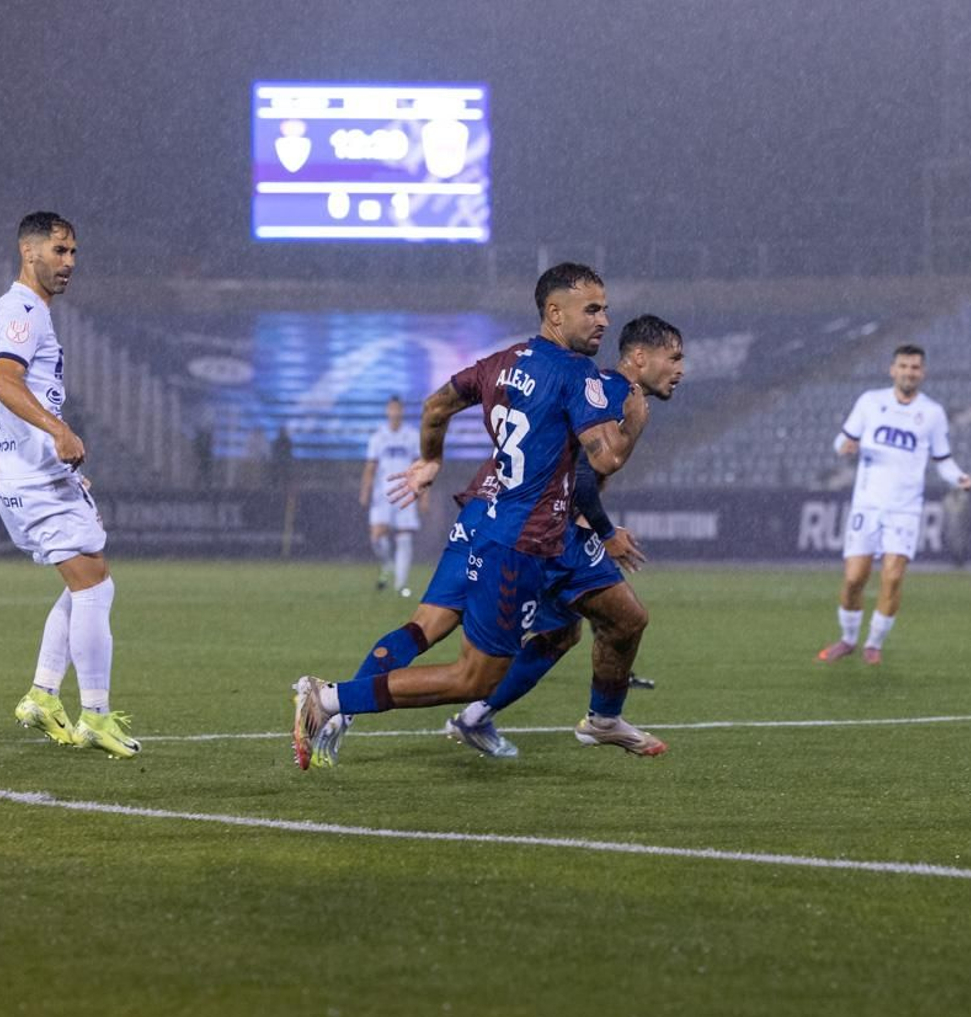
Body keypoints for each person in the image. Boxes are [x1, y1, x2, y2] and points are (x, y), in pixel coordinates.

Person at [290, 263, 650, 770]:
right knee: (474, 679)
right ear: (554, 312)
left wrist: (430, 460)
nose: (604, 320)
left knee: (430, 628)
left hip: (489, 518)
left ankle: (344, 707)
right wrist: (633, 419)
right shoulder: (575, 374)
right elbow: (606, 459)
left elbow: (436, 406)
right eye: (591, 309)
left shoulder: (500, 362)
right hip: (521, 541)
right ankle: (329, 699)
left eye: (605, 309)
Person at [444, 314, 686, 757]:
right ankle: (603, 720)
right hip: (556, 533)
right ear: (638, 356)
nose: (680, 369)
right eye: (673, 357)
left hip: (545, 526)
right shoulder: (615, 391)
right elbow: (582, 471)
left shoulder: (618, 392)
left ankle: (475, 716)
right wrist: (605, 531)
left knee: (561, 635)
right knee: (627, 619)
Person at [0, 212, 139, 758]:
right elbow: (6, 382)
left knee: (88, 580)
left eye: (73, 252)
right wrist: (59, 431)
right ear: (29, 254)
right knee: (95, 586)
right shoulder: (23, 309)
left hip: (30, 470)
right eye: (59, 251)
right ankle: (94, 714)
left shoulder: (28, 309)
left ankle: (43, 695)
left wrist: (60, 457)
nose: (69, 263)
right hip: (32, 474)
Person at [816, 344, 971, 665]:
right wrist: (844, 446)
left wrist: (959, 478)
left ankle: (874, 644)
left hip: (905, 508)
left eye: (915, 367)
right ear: (893, 370)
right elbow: (840, 440)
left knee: (893, 576)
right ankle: (848, 639)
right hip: (867, 505)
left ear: (922, 373)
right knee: (853, 579)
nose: (909, 372)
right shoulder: (870, 402)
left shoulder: (931, 413)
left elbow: (942, 460)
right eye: (903, 366)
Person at [361, 395, 425, 595]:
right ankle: (388, 563)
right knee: (377, 537)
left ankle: (400, 585)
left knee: (404, 537)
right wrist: (365, 491)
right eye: (392, 409)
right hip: (383, 494)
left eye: (398, 409)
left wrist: (425, 495)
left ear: (402, 411)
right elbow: (370, 467)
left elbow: (421, 467)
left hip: (406, 492)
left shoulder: (412, 436)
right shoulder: (378, 437)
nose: (395, 412)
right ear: (388, 411)